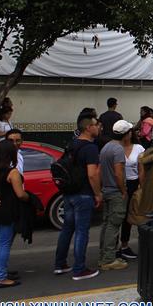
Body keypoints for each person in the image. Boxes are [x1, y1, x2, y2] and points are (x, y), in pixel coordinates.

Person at [54, 116, 101, 281]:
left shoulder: (71, 144)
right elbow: (92, 174)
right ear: (88, 127)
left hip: (69, 192)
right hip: (83, 193)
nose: (99, 127)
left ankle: (60, 264)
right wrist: (97, 194)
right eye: (96, 125)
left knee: (67, 228)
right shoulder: (90, 148)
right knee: (82, 231)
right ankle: (79, 269)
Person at [0, 139, 29, 288]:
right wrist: (29, 197)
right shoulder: (12, 172)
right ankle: (1, 277)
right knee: (4, 243)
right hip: (8, 210)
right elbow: (20, 194)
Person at [98, 120, 130, 272]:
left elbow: (99, 171)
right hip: (115, 191)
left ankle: (104, 256)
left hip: (106, 190)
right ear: (126, 134)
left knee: (106, 224)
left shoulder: (106, 147)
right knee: (113, 225)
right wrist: (123, 191)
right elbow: (119, 172)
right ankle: (109, 259)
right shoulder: (117, 149)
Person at [118, 120, 144, 261]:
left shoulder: (139, 148)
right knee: (119, 216)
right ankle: (117, 246)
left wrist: (142, 187)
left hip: (134, 183)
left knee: (133, 216)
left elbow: (141, 170)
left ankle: (125, 245)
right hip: (120, 184)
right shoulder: (115, 148)